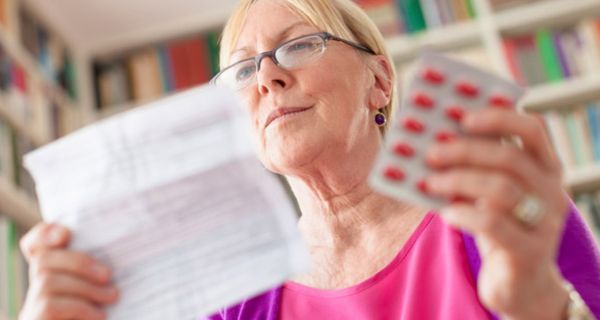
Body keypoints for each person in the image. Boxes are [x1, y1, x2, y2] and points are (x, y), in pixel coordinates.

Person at [18, 0, 600, 319]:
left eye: (299, 44)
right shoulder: (236, 297)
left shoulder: (501, 220)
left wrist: (538, 310)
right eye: (243, 69)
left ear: (379, 80)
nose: (267, 75)